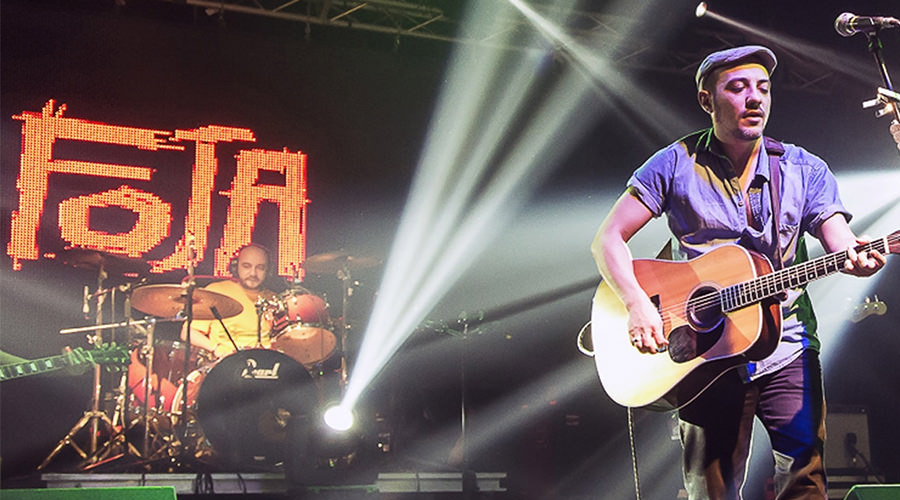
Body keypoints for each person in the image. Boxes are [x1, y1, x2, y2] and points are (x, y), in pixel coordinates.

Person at [590, 45, 888, 499]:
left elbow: (839, 238)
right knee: (710, 491)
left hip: (787, 345)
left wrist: (856, 255)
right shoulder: (673, 163)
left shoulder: (803, 168)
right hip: (707, 358)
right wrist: (636, 304)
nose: (755, 99)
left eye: (764, 89)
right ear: (707, 101)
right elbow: (607, 238)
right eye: (738, 88)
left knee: (805, 477)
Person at [184, 243, 277, 358]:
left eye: (260, 268)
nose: (253, 273)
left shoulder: (274, 299)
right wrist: (215, 349)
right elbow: (188, 332)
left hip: (265, 365)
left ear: (268, 271)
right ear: (235, 267)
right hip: (225, 363)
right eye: (246, 266)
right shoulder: (217, 291)